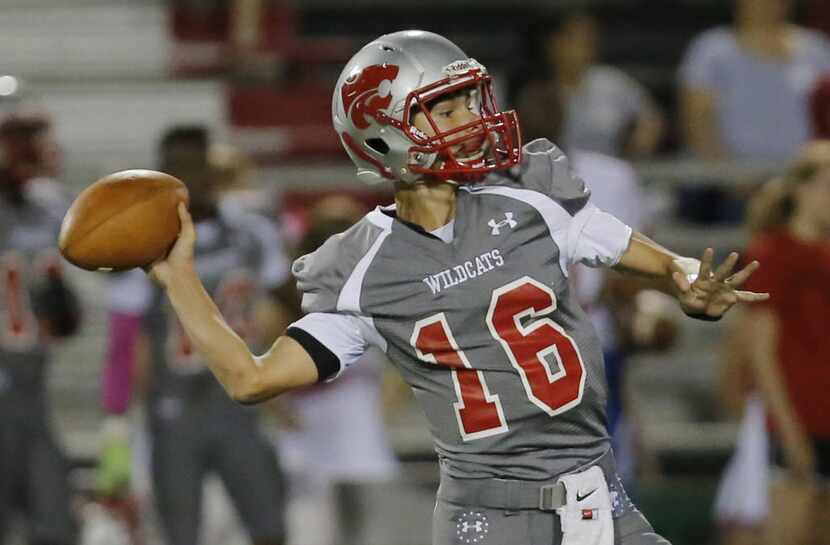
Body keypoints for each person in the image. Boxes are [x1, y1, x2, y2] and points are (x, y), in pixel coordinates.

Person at [146, 31, 768, 545]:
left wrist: (690, 281)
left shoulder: (529, 195)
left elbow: (654, 260)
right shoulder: (360, 265)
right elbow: (252, 380)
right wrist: (179, 279)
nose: (473, 119)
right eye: (448, 110)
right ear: (384, 132)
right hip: (490, 521)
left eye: (471, 101)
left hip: (600, 503)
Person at [97, 126, 290, 545]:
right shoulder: (140, 242)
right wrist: (116, 422)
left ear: (211, 169)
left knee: (271, 529)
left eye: (193, 165)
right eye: (175, 167)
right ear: (160, 173)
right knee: (180, 533)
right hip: (174, 408)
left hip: (242, 403)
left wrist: (289, 382)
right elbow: (126, 342)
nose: (186, 177)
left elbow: (294, 302)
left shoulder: (251, 231)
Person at [724, 141, 830, 545]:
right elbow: (760, 354)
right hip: (796, 420)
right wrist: (788, 431)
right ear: (799, 190)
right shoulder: (773, 254)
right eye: (825, 185)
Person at [0, 112, 81, 545]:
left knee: (54, 525)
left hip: (30, 387)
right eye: (17, 139)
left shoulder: (48, 203)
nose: (28, 151)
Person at [679, 0, 830, 160]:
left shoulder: (817, 49)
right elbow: (697, 122)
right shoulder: (711, 50)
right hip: (729, 175)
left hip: (806, 174)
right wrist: (726, 176)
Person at [515, 11, 664, 158]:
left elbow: (651, 118)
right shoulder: (529, 89)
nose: (587, 45)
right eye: (577, 39)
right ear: (552, 43)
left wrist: (638, 144)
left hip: (608, 168)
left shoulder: (611, 81)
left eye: (590, 39)